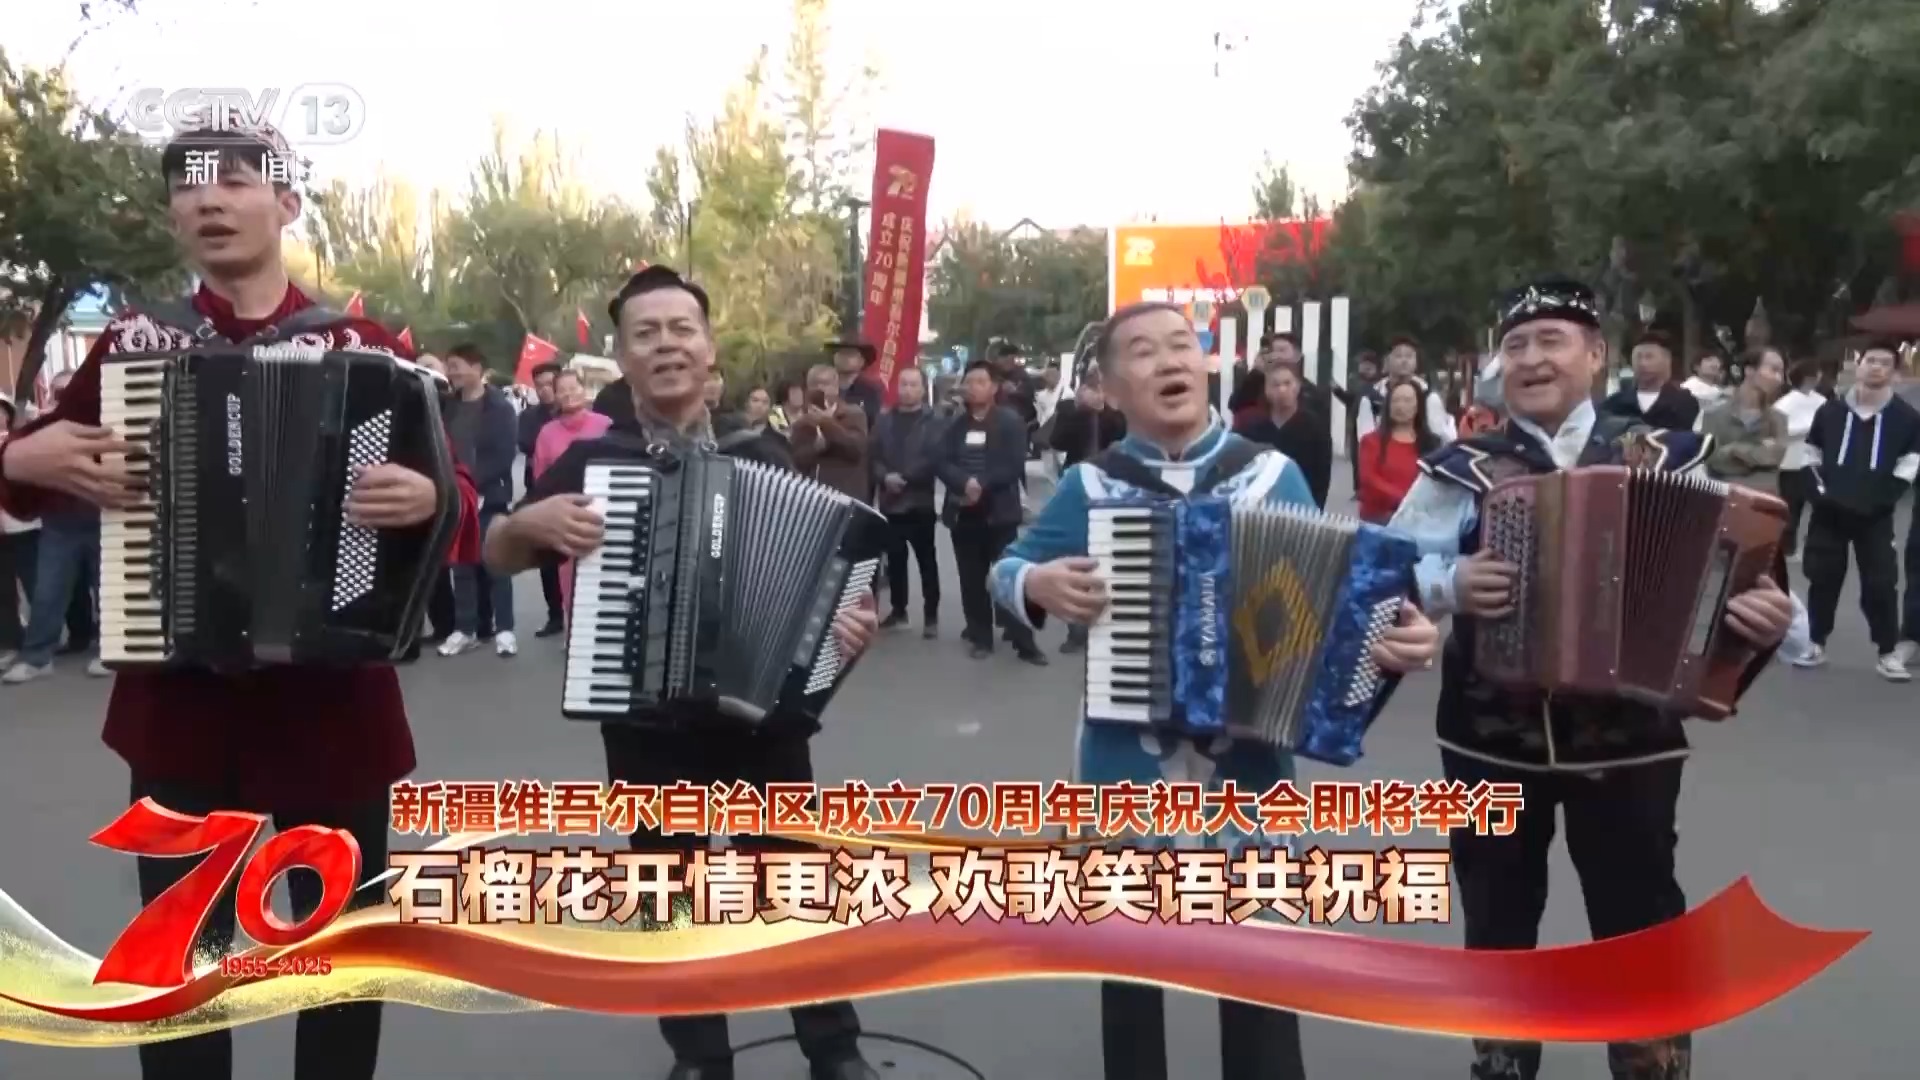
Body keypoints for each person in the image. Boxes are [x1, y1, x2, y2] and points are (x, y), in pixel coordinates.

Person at [0, 119, 479, 1080]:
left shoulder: (361, 345)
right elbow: (42, 470)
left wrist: (432, 499)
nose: (208, 200)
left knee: (344, 965)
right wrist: (19, 456)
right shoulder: (134, 344)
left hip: (335, 710)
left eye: (233, 181)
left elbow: (459, 495)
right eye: (188, 186)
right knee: (180, 967)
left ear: (287, 204)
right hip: (179, 710)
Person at [991, 299, 1439, 1080]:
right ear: (1110, 387)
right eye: (1143, 351)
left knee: (1259, 970)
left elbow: (1339, 601)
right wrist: (1035, 582)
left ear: (1205, 367)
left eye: (1181, 345)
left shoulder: (1270, 475)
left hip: (1250, 769)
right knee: (1132, 971)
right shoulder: (1092, 486)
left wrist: (1401, 637)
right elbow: (1005, 569)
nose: (1169, 361)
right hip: (1125, 765)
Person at [1388, 275, 1792, 1080]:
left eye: (1552, 340)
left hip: (1631, 738)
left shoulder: (1673, 456)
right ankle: (1502, 1064)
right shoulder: (1460, 469)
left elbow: (1744, 573)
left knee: (1640, 918)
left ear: (1597, 355)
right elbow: (1384, 573)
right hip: (1489, 739)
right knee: (1498, 920)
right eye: (1516, 345)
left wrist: (1772, 618)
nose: (1532, 359)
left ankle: (1652, 1066)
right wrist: (1449, 584)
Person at [483, 265, 881, 1080]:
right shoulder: (595, 461)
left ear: (708, 348)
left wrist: (848, 622)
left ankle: (834, 1049)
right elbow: (496, 554)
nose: (666, 345)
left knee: (795, 879)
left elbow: (823, 572)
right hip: (645, 724)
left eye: (681, 330)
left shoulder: (758, 448)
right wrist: (527, 523)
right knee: (667, 890)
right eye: (646, 334)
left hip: (762, 720)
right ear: (623, 358)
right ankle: (700, 1056)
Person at [1794, 340, 1920, 678]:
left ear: (1895, 373)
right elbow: (1810, 454)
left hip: (1875, 517)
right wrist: (1819, 495)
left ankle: (1887, 652)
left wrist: (1881, 500)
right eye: (1871, 360)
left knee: (1881, 584)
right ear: (1858, 365)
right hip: (1828, 513)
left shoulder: (1907, 418)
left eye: (1885, 363)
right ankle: (1815, 642)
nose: (1876, 367)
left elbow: (1909, 465)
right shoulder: (1830, 412)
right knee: (1822, 578)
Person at [937, 360, 1044, 664]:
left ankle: (1024, 642)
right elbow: (941, 461)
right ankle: (980, 635)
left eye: (980, 382)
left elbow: (1013, 465)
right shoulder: (955, 424)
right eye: (968, 382)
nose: (973, 388)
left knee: (1010, 578)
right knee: (971, 580)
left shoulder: (1010, 422)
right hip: (964, 513)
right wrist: (964, 483)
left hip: (1000, 513)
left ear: (994, 388)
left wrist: (980, 484)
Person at [439, 345, 521, 659]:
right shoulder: (448, 406)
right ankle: (465, 630)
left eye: (457, 366)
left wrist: (474, 485)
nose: (452, 372)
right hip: (456, 497)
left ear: (477, 368)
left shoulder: (500, 407)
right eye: (449, 366)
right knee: (461, 566)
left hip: (490, 496)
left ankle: (505, 630)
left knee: (496, 564)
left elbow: (504, 454)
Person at [870, 366, 942, 638]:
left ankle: (931, 616)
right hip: (890, 501)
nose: (907, 390)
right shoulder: (884, 420)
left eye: (913, 384)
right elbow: (873, 455)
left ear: (923, 389)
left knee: (927, 560)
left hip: (919, 501)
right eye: (903, 384)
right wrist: (884, 477)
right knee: (896, 560)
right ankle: (899, 611)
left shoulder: (934, 420)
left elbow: (934, 456)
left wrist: (905, 478)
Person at [1236, 364, 1332, 509]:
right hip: (1262, 509)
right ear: (1266, 390)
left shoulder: (1315, 428)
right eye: (1275, 385)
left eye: (1287, 383)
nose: (1282, 390)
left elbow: (1322, 478)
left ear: (1297, 386)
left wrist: (1314, 511)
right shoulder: (1254, 429)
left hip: (1302, 507)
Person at [519, 362, 564, 637]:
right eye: (540, 386)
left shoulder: (575, 411)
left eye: (550, 384)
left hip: (573, 491)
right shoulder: (530, 416)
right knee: (547, 560)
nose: (546, 390)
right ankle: (554, 614)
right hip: (540, 491)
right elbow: (526, 444)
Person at [1356, 376, 1437, 523]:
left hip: (1420, 519)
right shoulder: (1371, 441)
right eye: (1395, 400)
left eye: (1407, 400)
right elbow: (1369, 481)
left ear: (1418, 405)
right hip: (1379, 520)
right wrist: (1406, 500)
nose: (1400, 406)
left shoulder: (1432, 444)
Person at [1354, 335, 1458, 444]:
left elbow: (1439, 438)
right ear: (1387, 360)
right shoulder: (1371, 398)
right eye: (1398, 355)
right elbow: (1364, 440)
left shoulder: (1428, 397)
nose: (1404, 360)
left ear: (1416, 361)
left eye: (1409, 356)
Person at [789, 363, 871, 502]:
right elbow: (796, 460)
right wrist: (815, 449)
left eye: (825, 384)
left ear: (836, 388)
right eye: (814, 384)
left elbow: (857, 449)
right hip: (814, 498)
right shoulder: (802, 422)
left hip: (846, 496)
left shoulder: (853, 414)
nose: (820, 388)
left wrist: (826, 422)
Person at [1773, 359, 1826, 559]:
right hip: (1791, 464)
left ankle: (1814, 545)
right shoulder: (1785, 403)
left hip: (1815, 462)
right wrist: (1808, 427)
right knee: (1791, 508)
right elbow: (1780, 431)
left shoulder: (1821, 400)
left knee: (1820, 507)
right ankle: (1788, 548)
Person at [1600, 330, 1701, 432]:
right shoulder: (1614, 404)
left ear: (1667, 360)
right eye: (1638, 357)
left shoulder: (1685, 403)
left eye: (1649, 357)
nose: (1642, 363)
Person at [0, 392, 37, 669]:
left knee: (38, 585)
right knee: (3, 591)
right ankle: (11, 642)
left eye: (1, 410)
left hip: (25, 525)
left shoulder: (20, 441)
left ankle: (41, 641)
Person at [825, 340, 884, 430]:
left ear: (862, 361)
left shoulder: (870, 391)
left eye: (850, 354)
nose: (844, 357)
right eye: (840, 353)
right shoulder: (823, 384)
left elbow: (873, 421)